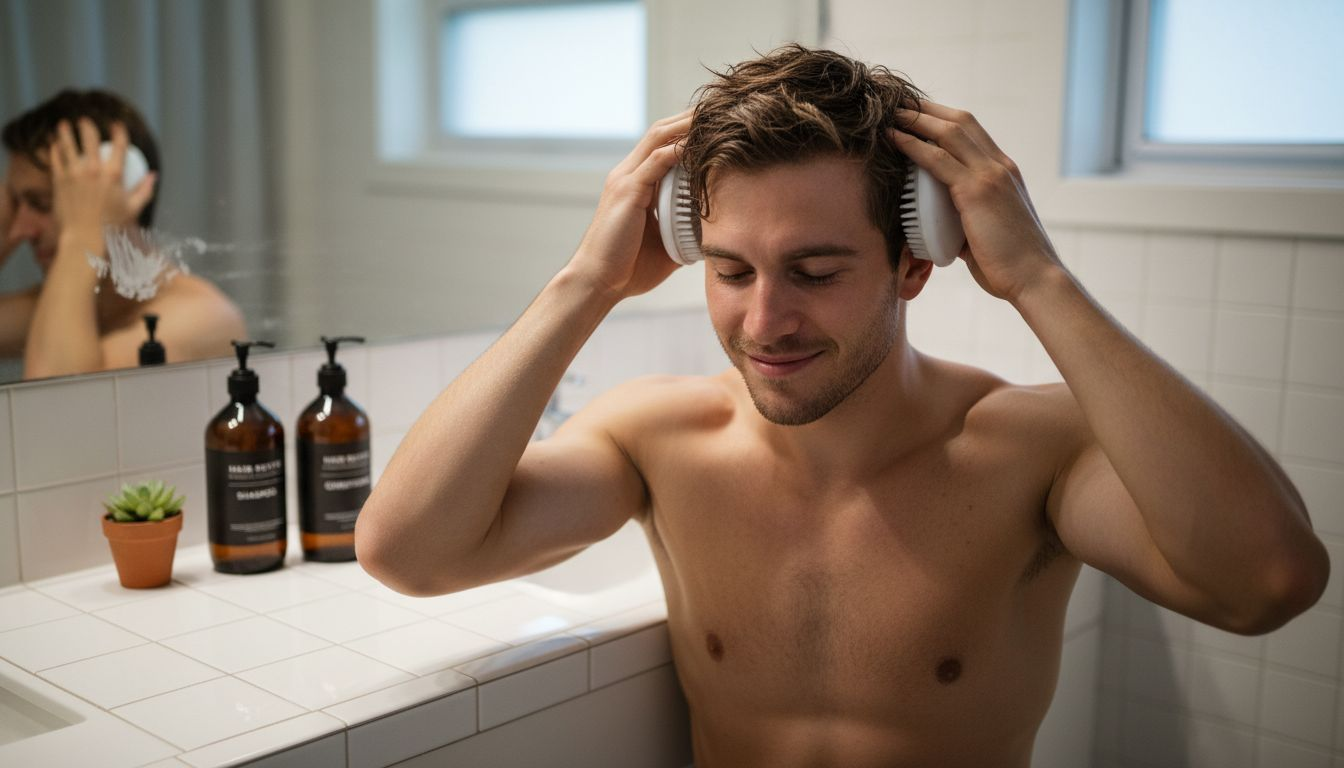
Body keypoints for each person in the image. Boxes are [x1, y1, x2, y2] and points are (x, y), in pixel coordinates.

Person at [355, 46, 1329, 767]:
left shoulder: (1028, 454)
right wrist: (586, 283)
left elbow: (1268, 583)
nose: (763, 320)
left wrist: (1036, 276)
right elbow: (409, 552)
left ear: (915, 260)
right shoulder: (659, 438)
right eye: (730, 270)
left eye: (815, 271)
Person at [1, 88, 245, 379]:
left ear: (122, 188)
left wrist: (82, 234)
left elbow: (58, 404)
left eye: (40, 203)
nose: (20, 230)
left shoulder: (204, 317)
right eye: (17, 206)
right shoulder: (47, 309)